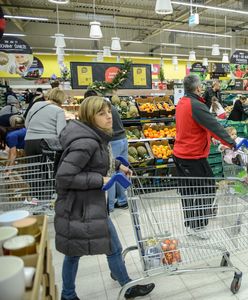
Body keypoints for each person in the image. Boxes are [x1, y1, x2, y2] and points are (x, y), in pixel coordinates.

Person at [54, 96, 155, 300]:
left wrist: (118, 166)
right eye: (102, 113)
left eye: (109, 111)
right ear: (90, 117)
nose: (109, 116)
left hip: (88, 204)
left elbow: (95, 162)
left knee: (81, 251)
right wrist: (100, 179)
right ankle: (121, 286)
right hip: (81, 207)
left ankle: (71, 294)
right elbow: (64, 177)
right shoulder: (86, 142)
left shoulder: (95, 136)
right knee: (88, 251)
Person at [173, 74, 236, 240]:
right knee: (206, 189)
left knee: (188, 191)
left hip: (180, 154)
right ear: (198, 88)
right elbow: (214, 126)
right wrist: (231, 143)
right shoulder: (195, 105)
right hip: (193, 156)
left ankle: (190, 224)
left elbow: (196, 127)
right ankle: (198, 226)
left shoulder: (182, 102)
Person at [84, 89, 129, 211]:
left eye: (108, 112)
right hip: (123, 139)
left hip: (114, 141)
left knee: (111, 173)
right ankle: (122, 201)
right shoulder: (109, 106)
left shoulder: (101, 111)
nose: (108, 116)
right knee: (118, 172)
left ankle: (109, 206)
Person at [24, 87, 66, 156]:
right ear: (61, 99)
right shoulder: (59, 111)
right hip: (47, 143)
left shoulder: (36, 105)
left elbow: (26, 124)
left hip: (29, 142)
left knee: (33, 166)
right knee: (47, 166)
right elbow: (61, 133)